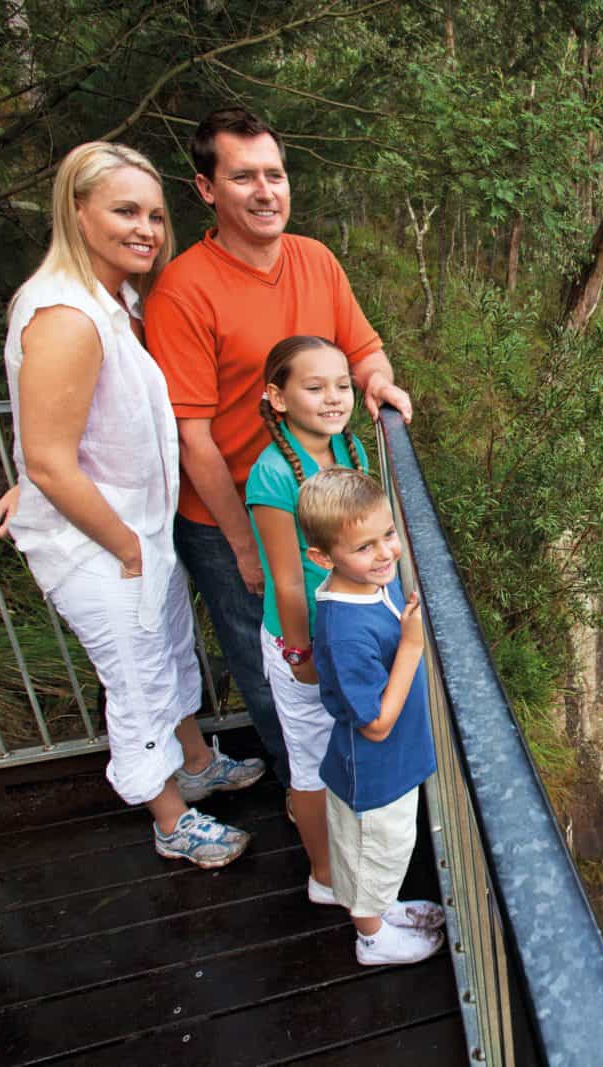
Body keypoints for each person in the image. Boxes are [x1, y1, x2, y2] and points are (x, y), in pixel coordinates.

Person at [0, 141, 265, 867]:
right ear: (76, 211)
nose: (147, 228)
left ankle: (195, 762)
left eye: (153, 213)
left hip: (134, 530)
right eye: (125, 211)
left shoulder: (110, 300)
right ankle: (171, 818)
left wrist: (36, 471)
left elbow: (58, 433)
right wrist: (119, 541)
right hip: (99, 543)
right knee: (137, 678)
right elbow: (55, 458)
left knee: (168, 655)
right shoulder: (65, 316)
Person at [145, 107, 413, 797]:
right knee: (272, 661)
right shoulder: (183, 289)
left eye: (275, 174)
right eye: (243, 177)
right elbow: (192, 434)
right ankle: (311, 803)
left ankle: (357, 780)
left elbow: (362, 348)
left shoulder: (315, 260)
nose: (266, 192)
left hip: (327, 503)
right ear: (207, 189)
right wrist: (241, 545)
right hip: (233, 512)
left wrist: (378, 381)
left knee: (343, 639)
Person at [297, 468, 445, 965]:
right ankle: (371, 938)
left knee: (382, 855)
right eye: (365, 547)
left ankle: (384, 911)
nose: (384, 553)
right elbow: (375, 723)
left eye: (387, 535)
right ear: (322, 559)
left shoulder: (364, 586)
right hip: (373, 773)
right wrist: (410, 646)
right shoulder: (345, 629)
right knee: (370, 857)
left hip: (390, 767)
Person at [247, 335, 372, 904]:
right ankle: (325, 877)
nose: (333, 398)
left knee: (341, 748)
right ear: (277, 397)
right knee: (311, 762)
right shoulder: (272, 475)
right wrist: (300, 654)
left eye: (342, 386)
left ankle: (352, 861)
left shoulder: (350, 450)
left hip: (346, 629)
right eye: (314, 387)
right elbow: (287, 578)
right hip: (305, 640)